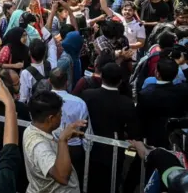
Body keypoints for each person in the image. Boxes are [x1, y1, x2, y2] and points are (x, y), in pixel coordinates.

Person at [81, 63, 139, 192]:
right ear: (120, 81)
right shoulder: (126, 103)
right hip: (114, 151)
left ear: (101, 77)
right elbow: (132, 131)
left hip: (90, 149)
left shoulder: (87, 95)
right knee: (111, 184)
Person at [22, 91, 84, 193]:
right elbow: (62, 177)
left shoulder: (34, 128)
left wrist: (66, 134)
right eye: (60, 114)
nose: (61, 116)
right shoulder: (38, 145)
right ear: (50, 118)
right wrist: (62, 141)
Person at [137, 56, 188, 147]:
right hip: (174, 138)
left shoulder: (146, 93)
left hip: (151, 137)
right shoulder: (183, 90)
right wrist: (183, 64)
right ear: (176, 75)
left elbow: (139, 117)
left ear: (157, 73)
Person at [49, 68, 89, 192]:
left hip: (52, 144)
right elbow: (87, 129)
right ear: (67, 82)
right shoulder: (79, 103)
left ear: (50, 82)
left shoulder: (43, 100)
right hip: (73, 148)